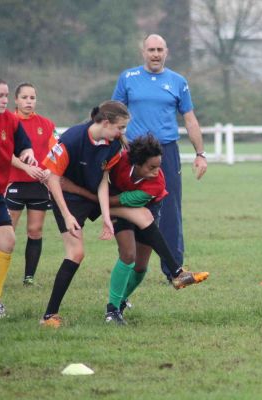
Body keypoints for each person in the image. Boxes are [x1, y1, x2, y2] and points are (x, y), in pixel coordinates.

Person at [59, 134, 209, 325]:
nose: (157, 171)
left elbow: (108, 202)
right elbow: (104, 190)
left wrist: (75, 190)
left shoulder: (156, 185)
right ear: (137, 163)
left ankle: (121, 302)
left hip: (146, 206)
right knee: (128, 254)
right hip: (116, 202)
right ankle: (112, 311)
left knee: (140, 266)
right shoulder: (120, 160)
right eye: (151, 167)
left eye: (159, 166)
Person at [112, 33, 208, 282]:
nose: (155, 54)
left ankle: (174, 270)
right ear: (143, 52)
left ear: (167, 52)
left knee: (169, 209)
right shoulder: (128, 78)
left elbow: (190, 119)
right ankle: (128, 263)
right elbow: (113, 114)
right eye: (151, 49)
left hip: (165, 152)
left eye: (159, 49)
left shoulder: (178, 82)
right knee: (128, 206)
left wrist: (200, 154)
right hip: (133, 153)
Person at [39, 101, 129, 327]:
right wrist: (67, 214)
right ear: (106, 122)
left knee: (139, 216)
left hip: (91, 193)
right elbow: (52, 179)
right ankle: (49, 316)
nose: (122, 133)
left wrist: (107, 216)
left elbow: (102, 181)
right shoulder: (72, 138)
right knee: (76, 253)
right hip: (66, 197)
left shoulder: (113, 144)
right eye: (120, 127)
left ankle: (123, 301)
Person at [0, 75, 36, 317]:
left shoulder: (11, 122)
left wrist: (28, 154)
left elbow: (24, 145)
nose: (5, 100)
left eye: (6, 95)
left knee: (7, 241)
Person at [6, 83, 57, 286]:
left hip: (38, 185)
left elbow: (56, 152)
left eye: (32, 98)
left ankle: (29, 278)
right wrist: (26, 168)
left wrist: (48, 169)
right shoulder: (7, 122)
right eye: (25, 97)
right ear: (16, 100)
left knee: (35, 231)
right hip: (15, 183)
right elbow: (4, 153)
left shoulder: (46, 124)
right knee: (6, 233)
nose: (29, 101)